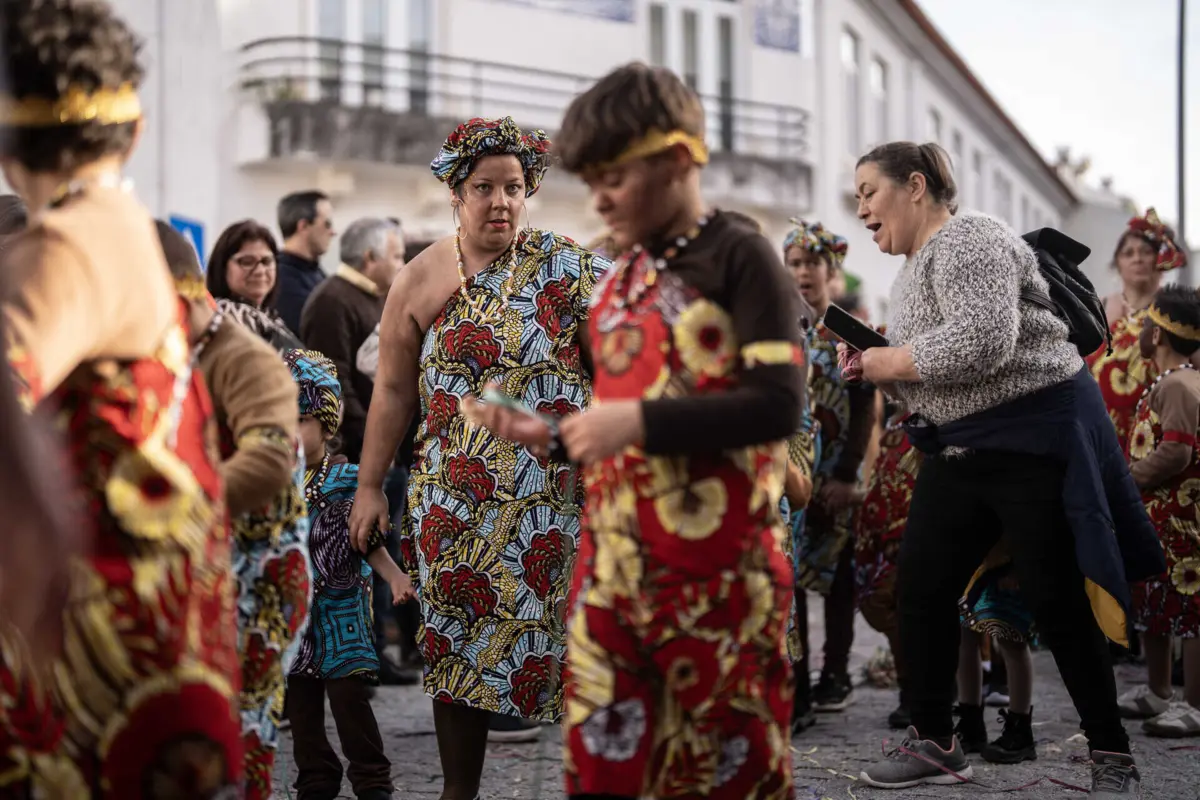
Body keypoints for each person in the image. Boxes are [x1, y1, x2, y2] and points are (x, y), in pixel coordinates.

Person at [468, 62, 805, 799]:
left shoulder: (742, 255)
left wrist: (637, 422)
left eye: (613, 178)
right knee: (606, 769)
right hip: (614, 571)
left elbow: (778, 405)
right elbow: (617, 420)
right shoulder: (617, 277)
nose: (598, 198)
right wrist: (550, 435)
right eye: (590, 181)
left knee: (721, 775)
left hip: (716, 577)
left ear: (678, 159)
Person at [844, 140, 1163, 797]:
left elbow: (983, 339)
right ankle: (936, 742)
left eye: (869, 193)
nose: (862, 209)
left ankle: (1111, 751)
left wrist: (889, 361)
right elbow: (938, 379)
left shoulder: (971, 237)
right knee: (922, 588)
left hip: (1029, 441)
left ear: (915, 186)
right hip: (963, 449)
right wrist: (877, 369)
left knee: (1055, 597)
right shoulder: (911, 272)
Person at [0, 0, 241, 794]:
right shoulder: (118, 226)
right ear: (133, 131)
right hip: (140, 645)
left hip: (89, 659)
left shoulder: (63, 245)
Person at [348, 116, 609, 797]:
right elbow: (393, 392)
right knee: (456, 650)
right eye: (484, 188)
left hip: (557, 501)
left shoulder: (568, 269)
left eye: (514, 188)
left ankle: (591, 780)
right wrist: (370, 486)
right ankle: (457, 791)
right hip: (455, 503)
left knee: (578, 649)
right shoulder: (418, 278)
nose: (501, 202)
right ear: (456, 194)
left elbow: (619, 367)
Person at [156, 220, 314, 798]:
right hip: (203, 569)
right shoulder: (171, 351)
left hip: (259, 578)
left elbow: (269, 459)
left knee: (241, 737)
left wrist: (166, 510)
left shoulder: (244, 357)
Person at [283, 349, 413, 800]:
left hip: (343, 620)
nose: (290, 433)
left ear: (326, 423)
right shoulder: (274, 483)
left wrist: (395, 577)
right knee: (300, 707)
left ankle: (372, 779)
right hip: (295, 621)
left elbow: (368, 542)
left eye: (300, 420)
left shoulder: (350, 481)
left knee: (349, 703)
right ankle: (316, 777)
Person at [783, 218, 876, 715]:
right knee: (793, 574)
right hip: (796, 472)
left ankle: (835, 673)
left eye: (813, 263)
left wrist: (845, 475)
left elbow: (865, 409)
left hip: (837, 471)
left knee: (838, 577)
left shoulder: (847, 328)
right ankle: (796, 684)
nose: (804, 272)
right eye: (795, 263)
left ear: (831, 269)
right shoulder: (782, 325)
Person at [1122, 285, 1200, 737]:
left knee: (1189, 611)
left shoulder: (1178, 385)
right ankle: (1157, 691)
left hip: (1179, 521)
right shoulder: (1173, 381)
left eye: (1147, 322)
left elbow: (1177, 452)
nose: (1141, 330)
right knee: (1156, 602)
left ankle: (1195, 704)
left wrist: (1128, 479)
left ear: (1159, 335)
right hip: (1159, 517)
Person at [301, 216, 404, 462]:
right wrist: (373, 440)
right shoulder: (331, 301)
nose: (402, 265)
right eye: (397, 257)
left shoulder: (376, 295)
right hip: (357, 453)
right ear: (370, 258)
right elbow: (335, 382)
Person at [1088, 208, 1190, 454]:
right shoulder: (1099, 307)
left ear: (1160, 258)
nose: (1138, 259)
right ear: (1118, 263)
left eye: (1146, 252)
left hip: (1159, 433)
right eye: (1129, 253)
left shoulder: (1177, 311)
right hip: (1101, 436)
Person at [207, 218, 303, 350]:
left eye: (267, 261)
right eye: (247, 262)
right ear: (222, 268)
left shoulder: (270, 317)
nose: (260, 271)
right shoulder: (227, 315)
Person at [276, 190, 336, 333]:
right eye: (327, 224)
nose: (333, 232)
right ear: (303, 226)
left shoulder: (314, 271)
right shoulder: (281, 280)